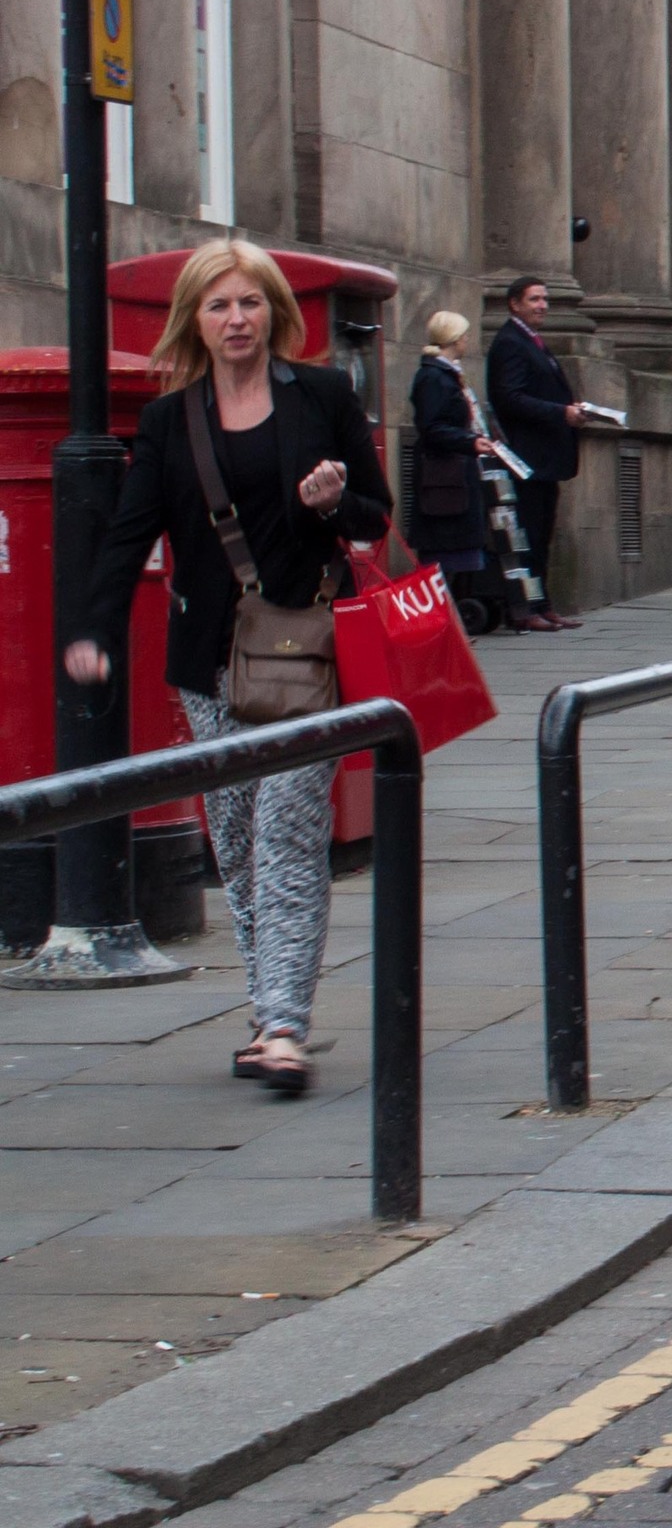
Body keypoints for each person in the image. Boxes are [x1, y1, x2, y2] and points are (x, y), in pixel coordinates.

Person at [70, 241, 395, 1097]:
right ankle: (267, 1006)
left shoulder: (322, 396)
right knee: (240, 842)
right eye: (219, 305)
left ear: (275, 312)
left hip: (305, 651)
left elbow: (375, 516)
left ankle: (284, 1025)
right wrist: (96, 628)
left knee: (289, 833)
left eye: (250, 302)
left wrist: (335, 501)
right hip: (209, 660)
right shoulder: (168, 421)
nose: (237, 319)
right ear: (195, 321)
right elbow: (131, 534)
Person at [487, 274, 584, 627]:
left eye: (544, 299)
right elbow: (509, 398)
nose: (542, 306)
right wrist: (561, 412)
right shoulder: (510, 343)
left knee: (542, 534)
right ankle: (525, 609)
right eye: (534, 299)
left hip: (544, 459)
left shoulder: (532, 341)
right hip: (526, 458)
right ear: (514, 304)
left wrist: (573, 409)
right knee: (526, 534)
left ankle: (542, 603)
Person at [406, 311, 497, 604]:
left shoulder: (447, 373)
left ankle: (457, 609)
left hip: (456, 474)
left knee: (460, 550)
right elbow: (431, 427)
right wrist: (469, 441)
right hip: (443, 477)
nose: (468, 339)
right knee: (445, 552)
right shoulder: (432, 376)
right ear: (454, 339)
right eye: (465, 335)